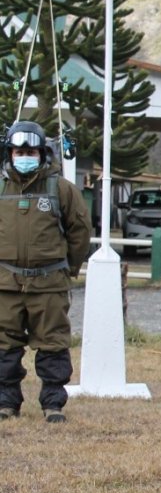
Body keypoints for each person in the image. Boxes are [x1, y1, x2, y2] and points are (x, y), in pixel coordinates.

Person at [0, 121, 91, 423]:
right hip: (6, 284)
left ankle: (53, 404)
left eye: (30, 151)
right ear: (9, 153)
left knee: (53, 344)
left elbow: (80, 233)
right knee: (4, 346)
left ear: (42, 153)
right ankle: (6, 402)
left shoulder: (61, 189)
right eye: (19, 151)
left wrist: (69, 269)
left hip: (49, 284)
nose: (24, 156)